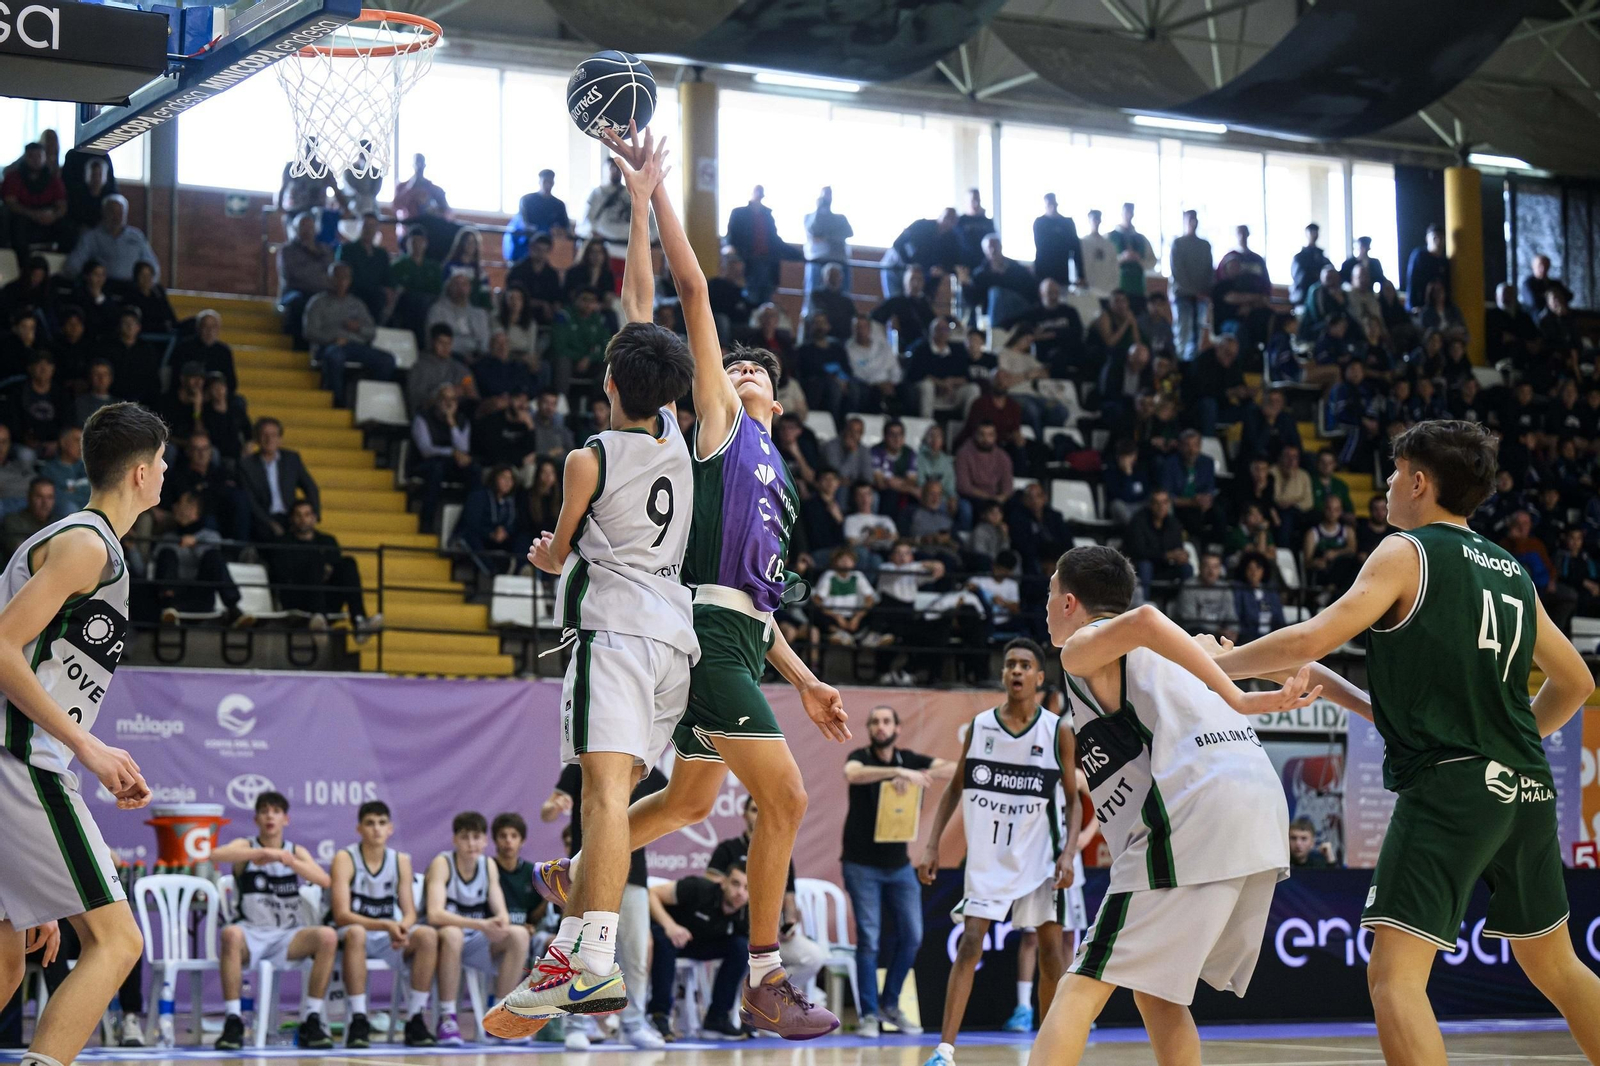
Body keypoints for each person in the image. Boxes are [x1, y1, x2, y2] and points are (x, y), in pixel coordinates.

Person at [530, 127, 848, 1040]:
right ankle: (766, 975)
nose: (738, 370)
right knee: (785, 798)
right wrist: (650, 199)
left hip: (737, 634)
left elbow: (761, 606)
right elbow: (670, 303)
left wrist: (805, 678)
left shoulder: (781, 478)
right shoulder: (712, 428)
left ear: (779, 400)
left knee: (690, 801)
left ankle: (576, 873)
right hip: (697, 632)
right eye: (730, 365)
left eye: (755, 371)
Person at [1213, 420, 1600, 1066]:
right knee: (1557, 966)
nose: (1388, 486)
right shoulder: (1512, 571)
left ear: (1419, 483)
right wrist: (1501, 742)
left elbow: (1311, 636)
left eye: (1394, 474)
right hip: (1525, 785)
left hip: (1452, 788)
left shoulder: (1406, 551)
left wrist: (1213, 665)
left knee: (1394, 979)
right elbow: (1577, 682)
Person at [495, 146, 697, 1038]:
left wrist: (547, 554)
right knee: (621, 803)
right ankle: (580, 934)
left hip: (612, 631)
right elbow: (644, 315)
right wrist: (644, 204)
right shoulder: (678, 436)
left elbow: (557, 554)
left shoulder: (588, 456)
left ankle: (591, 956)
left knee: (602, 798)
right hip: (675, 637)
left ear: (609, 382)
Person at [1027, 546, 1333, 1066]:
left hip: (1194, 813)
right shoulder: (1185, 648)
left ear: (1070, 603)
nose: (1047, 605)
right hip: (1259, 810)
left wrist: (1238, 697)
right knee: (1158, 993)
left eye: (1050, 594)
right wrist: (1373, 711)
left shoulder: (1081, 648)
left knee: (1081, 983)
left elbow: (1145, 618)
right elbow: (1300, 666)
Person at [0, 403, 162, 1066]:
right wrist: (87, 747)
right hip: (19, 759)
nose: (166, 473)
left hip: (15, 760)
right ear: (141, 474)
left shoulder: (88, 544)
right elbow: (2, 647)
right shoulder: (87, 545)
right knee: (117, 941)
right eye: (162, 462)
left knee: (7, 963)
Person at [917, 639, 1077, 1066]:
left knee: (1050, 952)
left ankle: (1049, 1050)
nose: (1017, 671)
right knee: (970, 942)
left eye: (1025, 665)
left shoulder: (1057, 730)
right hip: (989, 856)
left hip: (1041, 856)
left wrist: (1068, 853)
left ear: (1039, 677)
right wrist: (932, 845)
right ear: (1003, 674)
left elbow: (1073, 799)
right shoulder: (981, 726)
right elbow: (955, 788)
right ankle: (944, 1050)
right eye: (1010, 665)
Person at [535, 765, 668, 1050]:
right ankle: (575, 1023)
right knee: (579, 950)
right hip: (587, 871)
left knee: (635, 955)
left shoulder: (648, 768)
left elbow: (671, 807)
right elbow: (547, 811)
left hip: (633, 874)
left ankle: (633, 1024)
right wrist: (554, 807)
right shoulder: (583, 764)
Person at [843, 706, 952, 1036]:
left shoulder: (909, 758)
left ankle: (890, 1004)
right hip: (861, 865)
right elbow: (853, 773)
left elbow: (951, 768)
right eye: (875, 721)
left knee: (913, 935)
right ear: (869, 728)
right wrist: (897, 773)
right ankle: (868, 1014)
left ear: (897, 728)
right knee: (869, 939)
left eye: (886, 721)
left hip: (899, 865)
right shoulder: (861, 757)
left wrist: (919, 773)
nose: (881, 726)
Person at [211, 791, 339, 1050]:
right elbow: (215, 855)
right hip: (251, 933)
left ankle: (311, 1019)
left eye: (276, 811)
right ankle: (233, 1021)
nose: (270, 816)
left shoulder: (295, 851)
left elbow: (324, 880)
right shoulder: (246, 846)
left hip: (287, 936)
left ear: (285, 819)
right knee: (230, 934)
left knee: (327, 936)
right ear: (256, 818)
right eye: (264, 811)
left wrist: (287, 860)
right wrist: (261, 853)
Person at [328, 801, 439, 1048]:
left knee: (428, 936)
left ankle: (415, 1018)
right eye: (370, 823)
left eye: (381, 823)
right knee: (356, 933)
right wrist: (387, 926)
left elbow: (409, 912)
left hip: (387, 935)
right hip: (354, 933)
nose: (376, 829)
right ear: (359, 829)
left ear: (390, 829)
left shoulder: (400, 861)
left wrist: (402, 928)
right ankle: (359, 1019)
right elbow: (342, 915)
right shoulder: (345, 858)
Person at [423, 811, 532, 1045]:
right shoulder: (443, 863)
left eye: (476, 837)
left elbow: (501, 911)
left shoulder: (487, 865)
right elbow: (435, 914)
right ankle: (447, 1017)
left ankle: (500, 1016)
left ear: (484, 841)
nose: (471, 843)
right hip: (443, 941)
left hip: (474, 941)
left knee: (518, 934)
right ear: (455, 840)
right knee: (453, 933)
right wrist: (481, 924)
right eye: (465, 837)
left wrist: (500, 923)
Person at [706, 798, 829, 996]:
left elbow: (789, 898)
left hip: (773, 934)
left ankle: (767, 998)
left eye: (764, 811)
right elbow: (711, 887)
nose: (759, 816)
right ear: (744, 814)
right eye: (755, 810)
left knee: (813, 957)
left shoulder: (781, 852)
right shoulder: (728, 849)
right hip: (736, 932)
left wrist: (789, 923)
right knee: (740, 951)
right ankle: (753, 1000)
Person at [647, 862, 753, 1039]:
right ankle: (658, 1015)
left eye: (747, 888)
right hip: (670, 935)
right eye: (735, 884)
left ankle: (717, 1019)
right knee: (665, 943)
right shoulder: (698, 888)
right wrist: (670, 926)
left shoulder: (747, 913)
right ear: (723, 882)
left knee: (741, 947)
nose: (740, 892)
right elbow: (652, 894)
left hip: (701, 943)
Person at [270, 499, 380, 639]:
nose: (303, 519)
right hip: (299, 598)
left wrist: (324, 570)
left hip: (327, 598)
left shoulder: (328, 541)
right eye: (298, 515)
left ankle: (359, 621)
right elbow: (283, 575)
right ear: (292, 519)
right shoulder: (283, 543)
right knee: (315, 561)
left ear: (314, 517)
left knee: (348, 563)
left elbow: (336, 569)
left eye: (307, 514)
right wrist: (316, 568)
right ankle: (319, 619)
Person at [304, 262, 397, 403]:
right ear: (329, 279)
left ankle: (369, 401)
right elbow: (309, 332)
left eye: (345, 278)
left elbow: (372, 332)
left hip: (356, 345)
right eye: (337, 277)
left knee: (387, 360)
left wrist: (358, 328)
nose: (342, 281)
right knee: (335, 356)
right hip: (329, 346)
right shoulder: (318, 302)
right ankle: (338, 402)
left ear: (350, 280)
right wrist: (333, 338)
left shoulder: (357, 304)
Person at [239, 417, 319, 539]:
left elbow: (310, 487)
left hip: (291, 516)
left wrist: (315, 516)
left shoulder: (292, 459)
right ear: (257, 438)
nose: (269, 439)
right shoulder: (247, 464)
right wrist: (270, 523)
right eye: (264, 435)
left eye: (273, 435)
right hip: (263, 519)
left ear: (280, 439)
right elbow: (251, 501)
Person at [2, 142, 70, 265]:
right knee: (16, 223)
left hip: (48, 217)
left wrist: (54, 215)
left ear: (44, 157)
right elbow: (10, 203)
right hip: (23, 216)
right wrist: (33, 214)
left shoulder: (53, 178)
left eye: (39, 156)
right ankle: (22, 265)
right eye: (31, 156)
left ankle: (61, 264)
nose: (35, 160)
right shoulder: (14, 177)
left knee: (67, 226)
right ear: (25, 157)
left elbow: (62, 204)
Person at [275, 212, 333, 347]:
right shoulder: (287, 250)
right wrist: (318, 273)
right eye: (303, 226)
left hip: (321, 292)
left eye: (310, 227)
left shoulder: (325, 249)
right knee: (299, 303)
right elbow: (293, 275)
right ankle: (300, 347)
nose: (307, 230)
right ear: (296, 229)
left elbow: (332, 274)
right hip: (295, 292)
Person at [1169, 210, 1213, 360]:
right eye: (1190, 219)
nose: (1193, 222)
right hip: (1183, 297)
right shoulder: (1178, 243)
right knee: (1183, 333)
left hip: (1201, 298)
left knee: (1198, 336)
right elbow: (1177, 271)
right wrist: (1193, 291)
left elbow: (1209, 270)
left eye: (1195, 219)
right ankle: (1180, 366)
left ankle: (1192, 367)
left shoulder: (1205, 245)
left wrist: (1204, 291)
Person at [505, 170, 570, 262]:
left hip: (543, 247)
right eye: (545, 181)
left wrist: (557, 231)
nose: (547, 185)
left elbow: (566, 228)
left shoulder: (559, 205)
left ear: (553, 183)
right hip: (522, 246)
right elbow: (525, 224)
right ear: (539, 182)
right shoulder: (527, 200)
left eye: (550, 182)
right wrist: (546, 229)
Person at [1175, 551, 1240, 641]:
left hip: (1220, 635)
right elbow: (1189, 620)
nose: (1211, 571)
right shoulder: (1189, 586)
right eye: (1207, 566)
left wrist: (1233, 631)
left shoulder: (1224, 588)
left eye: (1215, 567)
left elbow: (1231, 616)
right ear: (1200, 567)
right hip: (1195, 635)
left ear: (1220, 569)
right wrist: (1218, 631)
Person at [804, 186, 853, 295]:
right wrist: (819, 209)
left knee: (843, 294)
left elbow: (849, 233)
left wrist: (826, 237)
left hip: (839, 259)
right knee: (813, 293)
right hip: (818, 260)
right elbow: (812, 231)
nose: (827, 198)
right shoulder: (809, 217)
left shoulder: (841, 218)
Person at [1033, 193, 1083, 287]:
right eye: (1049, 204)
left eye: (1053, 203)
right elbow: (1041, 247)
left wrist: (1081, 275)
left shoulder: (1067, 223)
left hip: (1062, 272)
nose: (1052, 207)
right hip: (1043, 272)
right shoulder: (1039, 223)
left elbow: (1076, 249)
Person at [1404, 223, 1449, 312]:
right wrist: (1412, 305)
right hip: (1420, 307)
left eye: (1441, 238)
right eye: (1435, 238)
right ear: (1427, 239)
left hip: (1439, 308)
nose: (1438, 241)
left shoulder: (1444, 261)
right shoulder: (1420, 256)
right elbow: (1412, 281)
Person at [1290, 223, 1332, 306]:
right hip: (1303, 297)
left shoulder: (1322, 258)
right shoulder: (1299, 258)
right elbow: (1300, 279)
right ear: (1306, 234)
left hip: (1322, 297)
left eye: (1316, 232)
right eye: (1312, 232)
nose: (1314, 234)